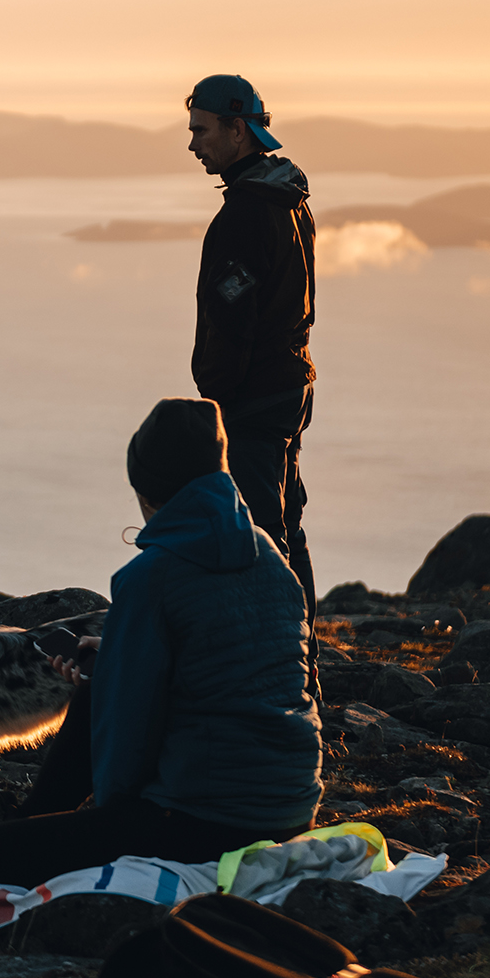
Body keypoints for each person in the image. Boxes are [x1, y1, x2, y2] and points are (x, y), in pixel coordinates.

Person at [0, 397, 321, 893]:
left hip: (209, 823)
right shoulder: (270, 557)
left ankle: (26, 822)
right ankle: (32, 818)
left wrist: (109, 816)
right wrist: (106, 667)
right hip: (293, 807)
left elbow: (127, 737)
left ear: (147, 492)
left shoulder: (152, 577)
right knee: (101, 675)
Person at [183, 73, 317, 621]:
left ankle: (281, 662)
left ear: (238, 130)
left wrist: (215, 395)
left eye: (202, 130)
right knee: (286, 523)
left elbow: (231, 320)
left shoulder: (245, 212)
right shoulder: (288, 198)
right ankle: (303, 653)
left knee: (259, 535)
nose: (193, 144)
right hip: (290, 384)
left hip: (253, 398)